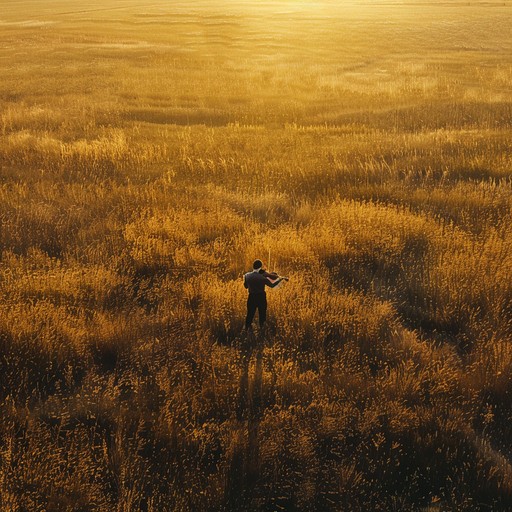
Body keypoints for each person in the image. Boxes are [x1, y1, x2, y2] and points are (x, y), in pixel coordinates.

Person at [243, 259, 288, 331]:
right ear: (260, 267)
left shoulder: (247, 276)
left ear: (253, 266)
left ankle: (246, 330)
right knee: (262, 315)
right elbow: (272, 285)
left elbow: (246, 286)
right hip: (261, 297)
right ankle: (262, 331)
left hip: (251, 297)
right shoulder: (262, 277)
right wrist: (281, 279)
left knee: (250, 315)